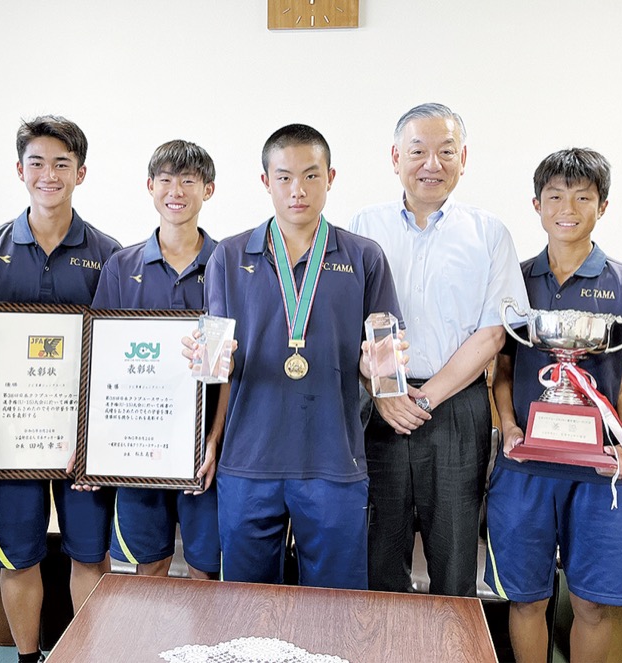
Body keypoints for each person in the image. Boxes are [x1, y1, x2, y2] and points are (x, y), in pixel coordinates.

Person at [485, 148, 622, 663]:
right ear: (537, 205)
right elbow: (499, 371)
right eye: (556, 195)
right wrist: (509, 425)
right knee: (526, 598)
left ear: (602, 206)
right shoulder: (513, 280)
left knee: (591, 604)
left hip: (599, 472)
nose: (569, 207)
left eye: (583, 196)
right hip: (526, 466)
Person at [201, 123, 400, 590]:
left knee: (333, 609)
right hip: (249, 460)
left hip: (333, 461)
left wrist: (375, 371)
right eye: (285, 177)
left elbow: (383, 360)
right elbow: (215, 360)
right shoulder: (229, 257)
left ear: (331, 177)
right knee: (247, 606)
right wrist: (208, 362)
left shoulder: (364, 257)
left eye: (311, 176)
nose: (298, 190)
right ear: (265, 181)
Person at [348, 103, 528, 596]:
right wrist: (385, 393)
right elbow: (350, 325)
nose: (432, 163)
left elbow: (494, 333)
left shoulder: (489, 233)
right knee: (377, 554)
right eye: (418, 151)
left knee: (453, 560)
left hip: (456, 407)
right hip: (377, 409)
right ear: (395, 158)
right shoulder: (361, 227)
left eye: (445, 151)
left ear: (463, 158)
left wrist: (425, 398)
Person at [0, 115, 120, 663]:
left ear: (80, 173)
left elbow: (112, 352)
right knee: (19, 556)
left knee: (89, 552)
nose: (49, 174)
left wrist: (101, 440)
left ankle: (86, 656)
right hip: (11, 434)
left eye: (62, 164)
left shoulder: (108, 254)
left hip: (84, 441)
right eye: (37, 163)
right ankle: (26, 658)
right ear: (20, 170)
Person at [92, 139, 224, 582]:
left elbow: (226, 371)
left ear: (208, 189)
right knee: (147, 569)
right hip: (139, 450)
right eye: (166, 179)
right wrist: (100, 450)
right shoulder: (119, 266)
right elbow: (102, 362)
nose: (176, 190)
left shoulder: (228, 265)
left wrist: (214, 441)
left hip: (204, 453)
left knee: (206, 570)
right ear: (150, 186)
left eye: (189, 180)